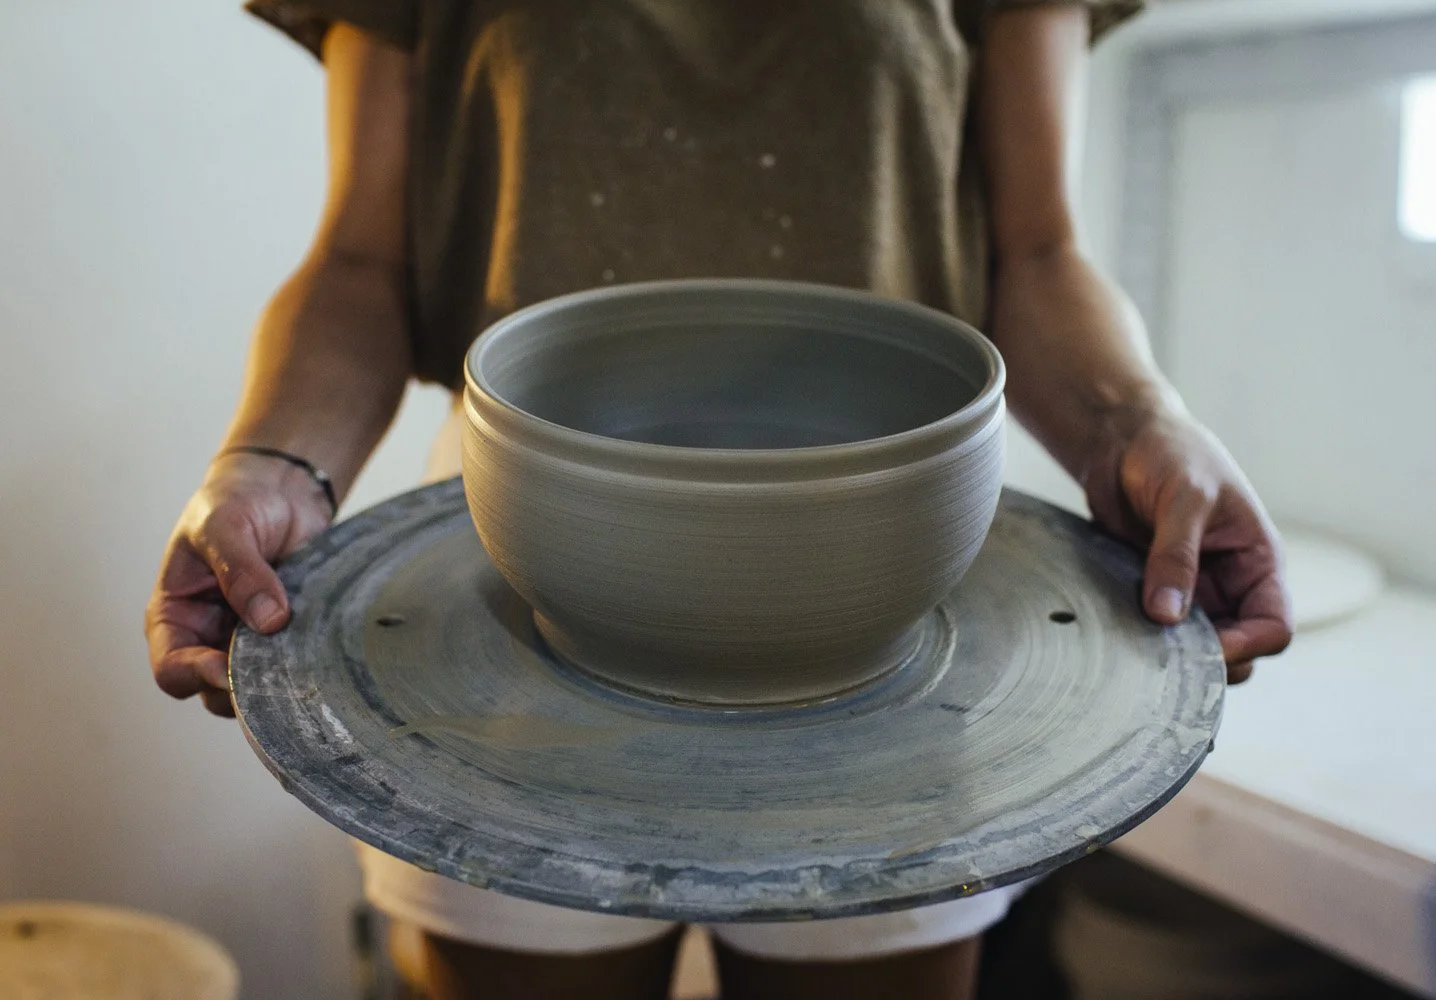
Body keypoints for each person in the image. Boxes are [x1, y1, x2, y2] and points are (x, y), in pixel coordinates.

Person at [145, 1, 1293, 997]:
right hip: (517, 558)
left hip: (887, 582)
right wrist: (269, 463)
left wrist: (1143, 426)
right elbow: (362, 264)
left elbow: (1038, 252)